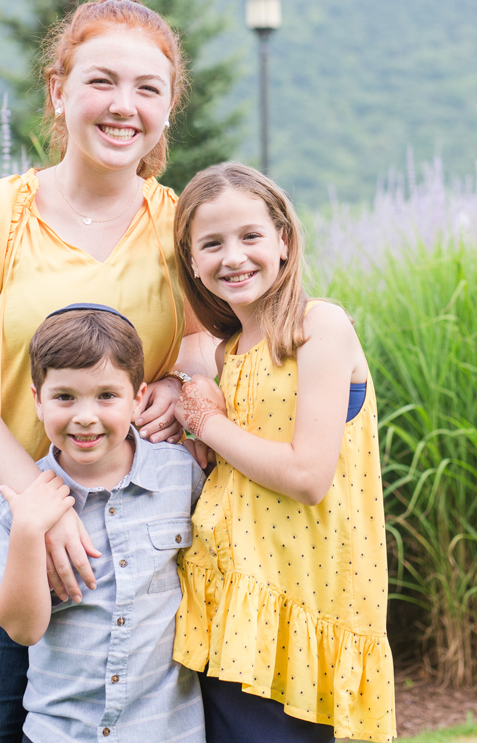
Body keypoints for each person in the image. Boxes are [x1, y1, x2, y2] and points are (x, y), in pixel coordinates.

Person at [0, 0, 215, 743]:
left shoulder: (179, 226)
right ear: (58, 89)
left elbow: (201, 339)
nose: (124, 107)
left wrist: (182, 380)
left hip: (129, 543)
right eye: (101, 82)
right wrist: (31, 500)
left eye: (148, 89)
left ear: (167, 106)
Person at [170, 162, 396, 743]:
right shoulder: (229, 353)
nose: (234, 256)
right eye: (212, 244)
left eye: (250, 236)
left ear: (284, 241)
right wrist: (198, 437)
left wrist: (207, 425)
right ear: (193, 262)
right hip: (233, 598)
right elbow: (244, 464)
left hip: (301, 604)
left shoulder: (320, 326)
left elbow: (306, 476)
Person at [0, 304, 206, 743]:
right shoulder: (22, 505)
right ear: (37, 399)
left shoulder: (180, 475)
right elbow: (23, 628)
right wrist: (31, 532)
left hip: (166, 731)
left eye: (106, 396)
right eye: (65, 397)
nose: (85, 415)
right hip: (62, 733)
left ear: (138, 397)